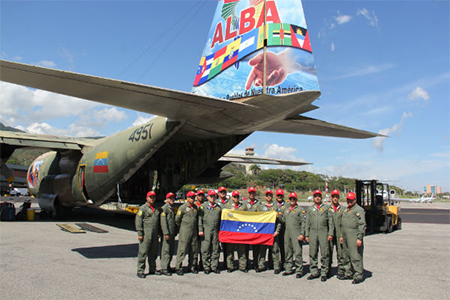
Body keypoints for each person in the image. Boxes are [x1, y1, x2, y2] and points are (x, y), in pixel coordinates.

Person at [305, 190, 334, 281]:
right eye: (315, 196)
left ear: (321, 198)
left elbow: (331, 222)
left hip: (323, 231)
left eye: (319, 196)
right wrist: (307, 234)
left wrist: (330, 233)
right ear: (313, 198)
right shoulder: (310, 209)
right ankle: (314, 272)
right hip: (313, 232)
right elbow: (307, 222)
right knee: (312, 253)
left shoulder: (326, 208)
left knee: (325, 253)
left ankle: (324, 272)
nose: (317, 198)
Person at [339, 192, 366, 284]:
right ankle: (348, 273)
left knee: (355, 255)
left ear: (355, 200)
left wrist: (359, 238)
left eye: (351, 200)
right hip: (346, 234)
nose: (349, 201)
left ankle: (358, 275)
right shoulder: (346, 209)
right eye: (348, 200)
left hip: (354, 234)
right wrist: (342, 236)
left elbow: (362, 224)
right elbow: (343, 224)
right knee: (346, 254)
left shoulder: (359, 210)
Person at [135, 191, 161, 278]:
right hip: (146, 233)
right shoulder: (143, 208)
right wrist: (140, 233)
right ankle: (140, 270)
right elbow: (138, 221)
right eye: (150, 197)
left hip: (154, 234)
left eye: (153, 197)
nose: (152, 199)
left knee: (154, 252)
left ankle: (152, 269)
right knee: (143, 252)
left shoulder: (156, 208)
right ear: (147, 198)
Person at [258, 190, 283, 274]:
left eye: (270, 195)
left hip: (273, 232)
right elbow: (258, 219)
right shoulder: (261, 207)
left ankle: (276, 266)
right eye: (267, 195)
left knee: (275, 250)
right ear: (265, 197)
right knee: (262, 250)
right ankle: (261, 265)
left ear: (272, 196)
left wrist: (277, 231)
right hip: (264, 232)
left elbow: (279, 221)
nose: (268, 197)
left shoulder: (276, 207)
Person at [175, 191, 199, 275]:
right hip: (185, 231)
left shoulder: (196, 208)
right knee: (182, 249)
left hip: (194, 232)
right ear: (187, 198)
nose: (193, 199)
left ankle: (192, 266)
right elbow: (177, 219)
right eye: (191, 197)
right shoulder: (182, 207)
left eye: (194, 197)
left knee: (194, 250)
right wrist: (183, 227)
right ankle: (178, 267)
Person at [282, 192, 306, 278]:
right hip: (287, 233)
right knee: (288, 251)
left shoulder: (300, 210)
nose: (292, 200)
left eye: (294, 199)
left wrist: (302, 234)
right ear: (288, 200)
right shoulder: (286, 210)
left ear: (296, 200)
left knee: (298, 252)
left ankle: (299, 270)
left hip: (296, 232)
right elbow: (283, 220)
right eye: (291, 199)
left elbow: (304, 222)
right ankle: (288, 269)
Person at [224, 190, 248, 273]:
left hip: (241, 231)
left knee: (242, 250)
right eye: (235, 197)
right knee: (230, 250)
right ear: (231, 198)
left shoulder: (243, 207)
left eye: (237, 197)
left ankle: (242, 266)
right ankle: (230, 266)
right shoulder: (227, 207)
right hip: (231, 231)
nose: (236, 198)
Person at [198, 190, 222, 274]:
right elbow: (200, 219)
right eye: (211, 196)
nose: (212, 198)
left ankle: (214, 266)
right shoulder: (203, 206)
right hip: (206, 229)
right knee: (205, 248)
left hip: (215, 230)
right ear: (207, 197)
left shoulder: (218, 207)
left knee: (215, 248)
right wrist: (200, 230)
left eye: (214, 196)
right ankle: (206, 266)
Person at [243, 187, 264, 272]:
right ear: (248, 194)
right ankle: (246, 264)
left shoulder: (259, 204)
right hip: (246, 229)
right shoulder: (244, 203)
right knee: (246, 248)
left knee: (256, 248)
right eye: (250, 193)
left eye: (253, 193)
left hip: (256, 229)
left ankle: (256, 264)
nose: (252, 194)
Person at [328, 189, 344, 278]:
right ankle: (328, 270)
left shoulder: (343, 209)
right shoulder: (327, 209)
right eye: (333, 197)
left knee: (341, 252)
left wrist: (342, 235)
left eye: (336, 197)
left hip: (339, 233)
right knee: (328, 252)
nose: (335, 199)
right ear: (331, 198)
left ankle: (341, 270)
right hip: (330, 233)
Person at [160, 192, 177, 276]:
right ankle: (164, 268)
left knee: (171, 250)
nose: (172, 200)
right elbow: (163, 222)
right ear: (166, 199)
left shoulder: (172, 208)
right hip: (167, 233)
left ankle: (168, 266)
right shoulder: (164, 209)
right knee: (166, 250)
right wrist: (166, 233)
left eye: (173, 198)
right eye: (170, 198)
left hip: (172, 233)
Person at [216, 186, 229, 270]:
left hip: (227, 228)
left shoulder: (230, 203)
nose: (223, 193)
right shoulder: (216, 202)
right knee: (216, 247)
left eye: (224, 192)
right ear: (218, 193)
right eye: (221, 192)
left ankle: (226, 263)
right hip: (218, 227)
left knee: (227, 248)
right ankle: (215, 264)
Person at [275, 188, 287, 271]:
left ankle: (284, 264)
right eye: (278, 195)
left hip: (284, 228)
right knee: (275, 248)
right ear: (275, 196)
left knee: (284, 248)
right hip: (274, 228)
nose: (279, 197)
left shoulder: (287, 205)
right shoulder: (272, 205)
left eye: (281, 195)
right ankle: (275, 265)